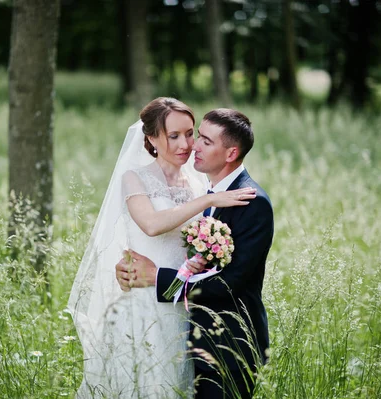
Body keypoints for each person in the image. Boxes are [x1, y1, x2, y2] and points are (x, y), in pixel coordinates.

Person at [68, 98, 256, 399]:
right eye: (174, 136)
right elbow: (152, 225)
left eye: (190, 133)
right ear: (153, 139)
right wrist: (207, 201)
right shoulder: (135, 178)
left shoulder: (198, 183)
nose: (187, 144)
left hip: (183, 306)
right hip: (144, 306)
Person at [116, 108, 274, 399]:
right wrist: (127, 267)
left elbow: (228, 285)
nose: (193, 146)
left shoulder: (251, 203)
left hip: (229, 346)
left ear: (230, 154)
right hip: (190, 337)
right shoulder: (204, 190)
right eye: (196, 136)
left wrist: (156, 277)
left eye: (204, 140)